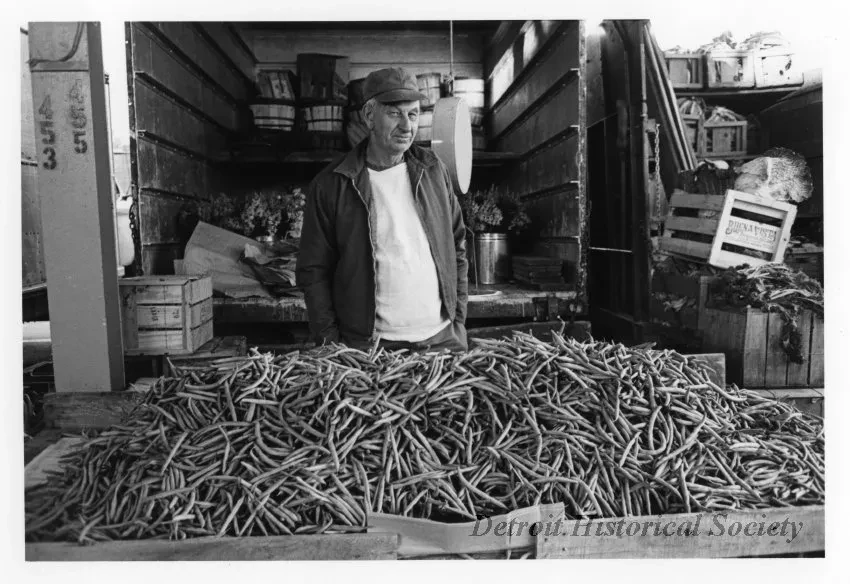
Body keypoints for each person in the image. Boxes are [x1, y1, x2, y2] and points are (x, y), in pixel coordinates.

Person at [296, 67, 469, 352]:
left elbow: (458, 244)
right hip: (372, 348)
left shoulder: (434, 171)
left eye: (413, 114)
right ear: (369, 115)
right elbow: (313, 271)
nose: (406, 126)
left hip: (442, 340)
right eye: (394, 113)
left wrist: (458, 320)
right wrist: (331, 343)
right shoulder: (332, 184)